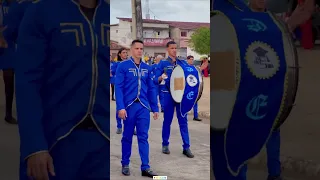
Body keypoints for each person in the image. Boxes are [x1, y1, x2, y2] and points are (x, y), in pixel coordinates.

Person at [16, 0, 110, 179]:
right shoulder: (42, 10)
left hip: (104, 139)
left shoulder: (107, 13)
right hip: (57, 138)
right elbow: (27, 84)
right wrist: (34, 145)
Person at [115, 39, 159, 177]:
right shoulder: (123, 66)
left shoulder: (147, 67)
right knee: (127, 136)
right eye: (137, 48)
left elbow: (152, 88)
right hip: (128, 107)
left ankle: (145, 167)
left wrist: (155, 108)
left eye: (141, 48)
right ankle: (125, 163)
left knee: (143, 137)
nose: (139, 51)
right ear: (131, 50)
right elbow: (119, 88)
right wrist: (120, 107)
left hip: (143, 107)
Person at [155, 41, 194, 158]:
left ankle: (186, 147)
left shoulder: (182, 63)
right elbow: (154, 80)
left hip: (180, 96)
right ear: (167, 50)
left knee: (183, 122)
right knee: (167, 121)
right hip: (167, 95)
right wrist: (161, 77)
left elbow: (189, 76)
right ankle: (165, 144)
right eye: (172, 48)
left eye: (175, 48)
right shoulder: (162, 63)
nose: (174, 50)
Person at [0, 0, 23, 124]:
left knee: (10, 79)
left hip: (9, 46)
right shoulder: (3, 5)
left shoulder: (17, 5)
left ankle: (8, 113)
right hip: (3, 42)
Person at [186, 55, 202, 121]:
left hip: (194, 87)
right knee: (186, 102)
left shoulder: (195, 68)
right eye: (190, 59)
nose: (192, 60)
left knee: (195, 102)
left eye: (192, 59)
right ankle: (184, 116)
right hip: (187, 88)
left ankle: (195, 116)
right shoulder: (185, 68)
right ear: (187, 60)